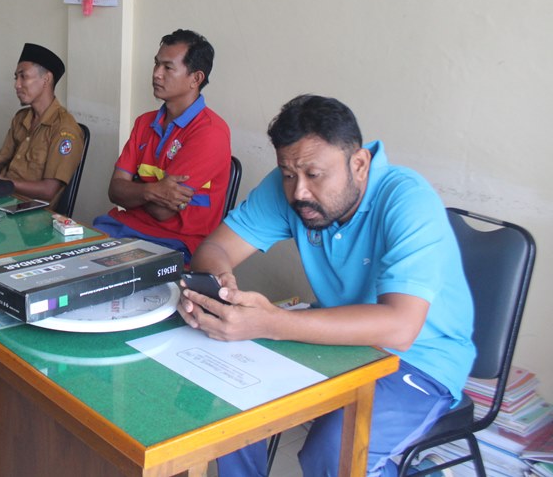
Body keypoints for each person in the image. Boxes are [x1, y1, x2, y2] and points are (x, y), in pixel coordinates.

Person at [180, 95, 475, 477]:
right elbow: (215, 248)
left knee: (335, 448)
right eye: (288, 174)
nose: (299, 191)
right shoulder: (290, 183)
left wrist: (271, 323)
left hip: (421, 359)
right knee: (226, 386)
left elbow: (401, 328)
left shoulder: (407, 199)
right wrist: (222, 290)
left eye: (314, 175)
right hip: (334, 339)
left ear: (359, 164)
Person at [93, 29, 231, 264]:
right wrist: (151, 191)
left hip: (176, 244)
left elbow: (162, 211)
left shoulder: (210, 132)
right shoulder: (144, 122)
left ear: (196, 79)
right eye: (156, 64)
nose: (156, 74)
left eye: (168, 67)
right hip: (122, 227)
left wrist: (133, 189)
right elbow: (114, 191)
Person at [0, 43, 83, 205]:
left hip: (30, 211)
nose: (17, 85)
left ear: (46, 79)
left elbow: (49, 191)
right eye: (16, 78)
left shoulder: (64, 129)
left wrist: (0, 181)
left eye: (24, 76)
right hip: (2, 197)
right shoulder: (21, 118)